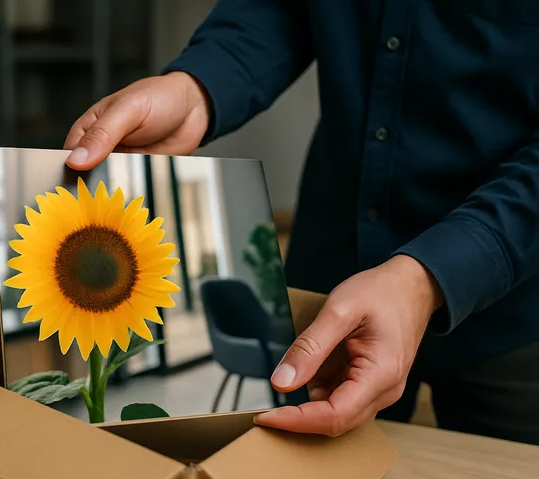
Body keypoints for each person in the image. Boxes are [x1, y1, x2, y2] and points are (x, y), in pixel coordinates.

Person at [63, 1, 539, 445]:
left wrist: (430, 277)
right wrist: (197, 86)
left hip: (512, 305)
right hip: (326, 281)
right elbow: (279, 8)